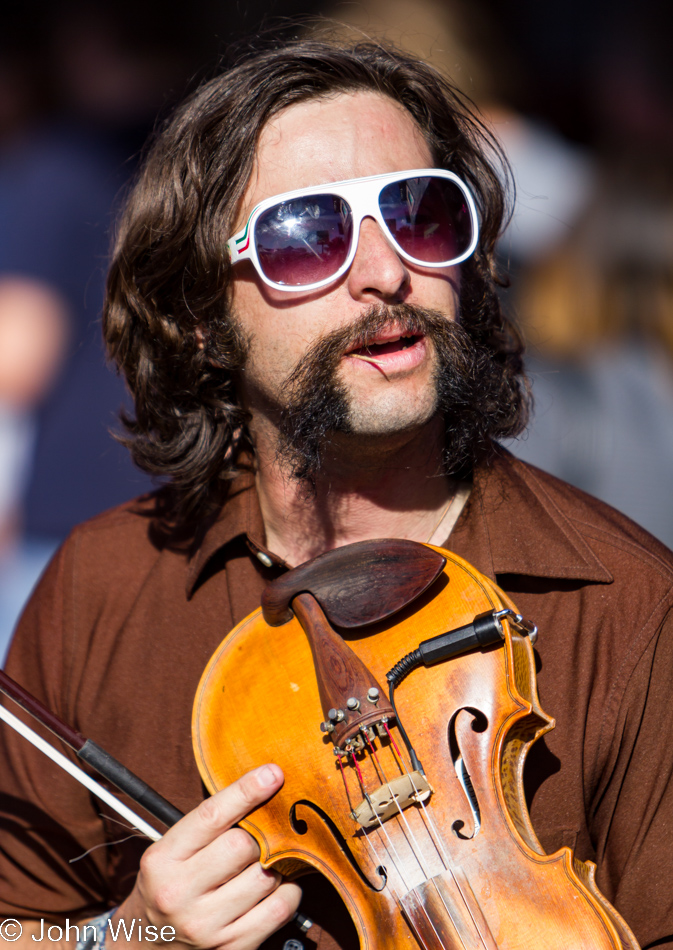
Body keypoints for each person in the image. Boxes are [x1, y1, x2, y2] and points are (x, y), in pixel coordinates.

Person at [1, 40, 672, 950]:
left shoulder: (627, 605)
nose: (384, 273)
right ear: (200, 316)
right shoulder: (102, 587)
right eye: (306, 235)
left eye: (422, 217)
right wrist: (129, 937)